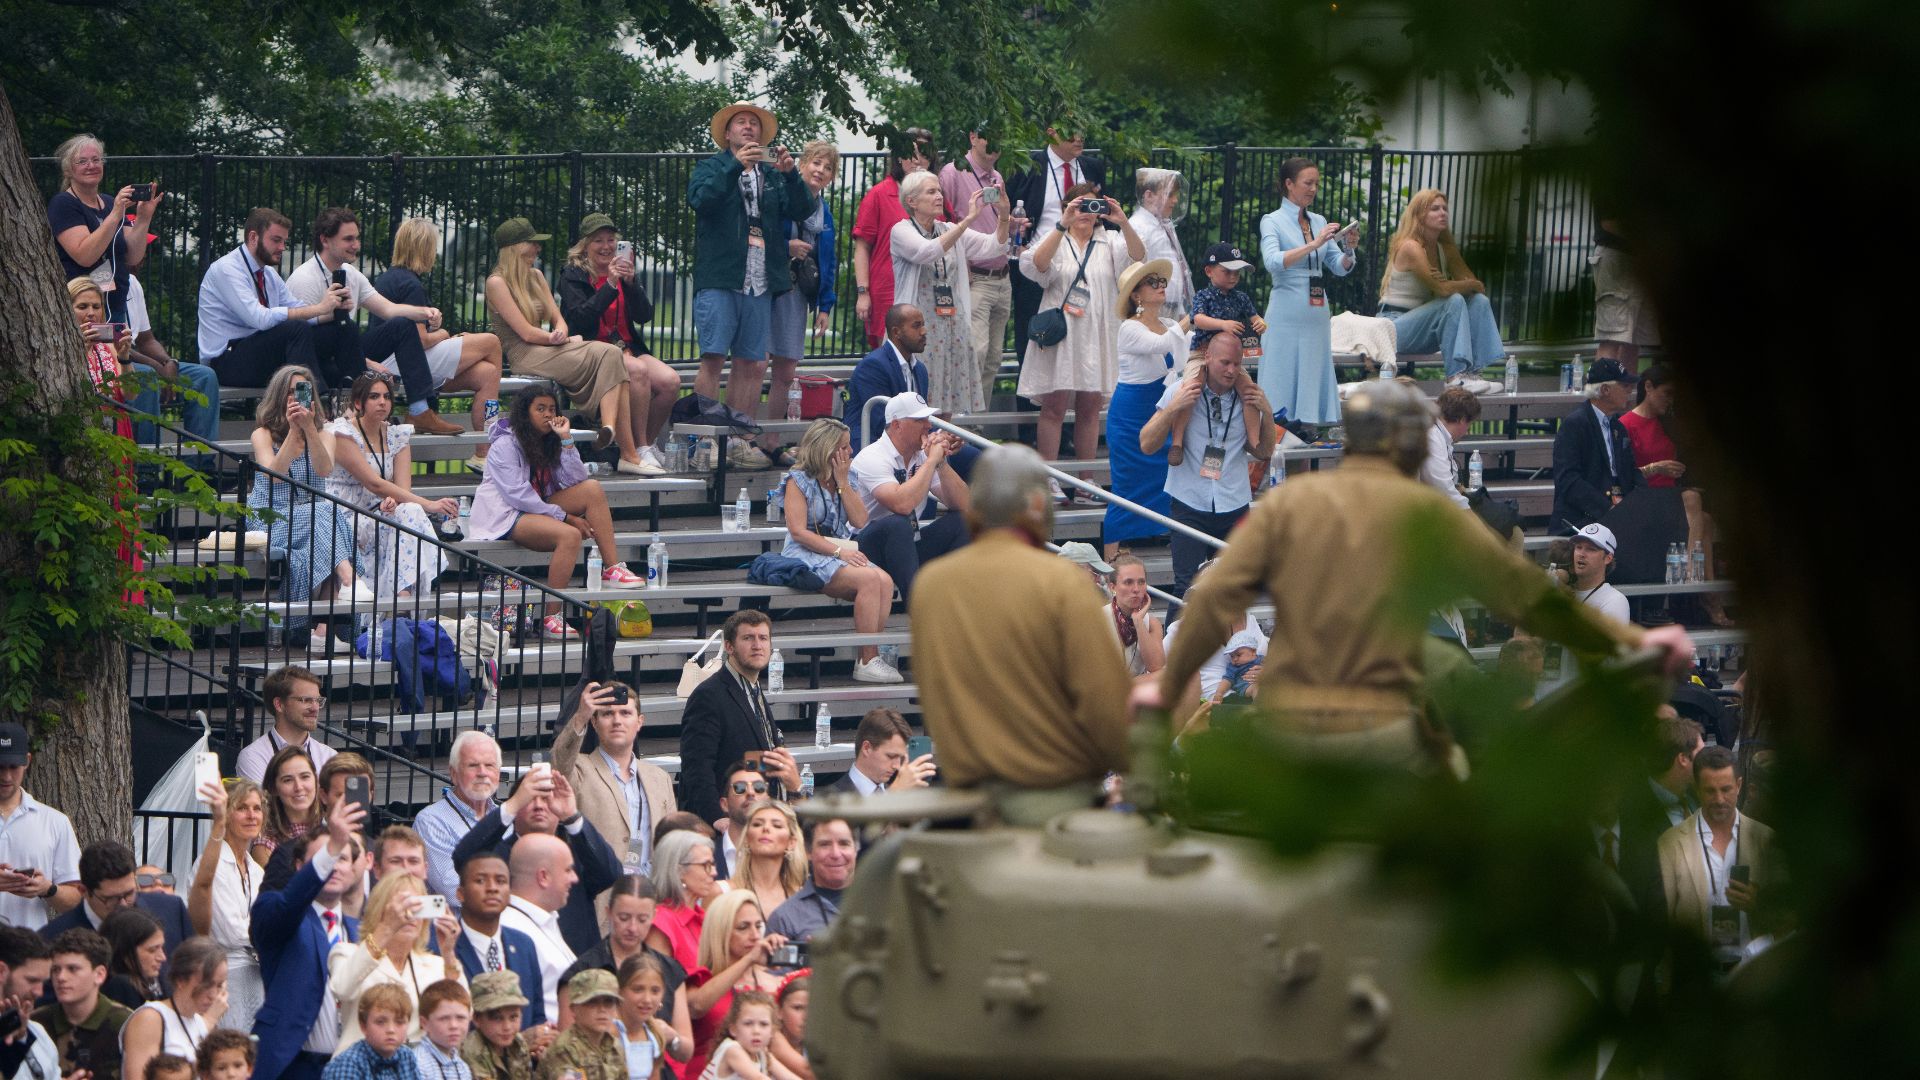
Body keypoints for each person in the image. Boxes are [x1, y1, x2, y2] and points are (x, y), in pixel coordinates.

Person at [1143, 379, 1695, 774]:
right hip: (1377, 735)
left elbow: (1210, 598)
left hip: (1289, 722)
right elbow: (1526, 598)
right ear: (1411, 444)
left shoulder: (1294, 503)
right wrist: (1628, 638)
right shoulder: (1425, 514)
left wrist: (1168, 690)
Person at [909, 445, 1133, 818]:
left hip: (963, 793)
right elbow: (1105, 701)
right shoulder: (1062, 581)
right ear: (1037, 506)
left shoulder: (932, 583)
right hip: (1050, 797)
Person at [687, 101, 820, 467]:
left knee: (750, 363)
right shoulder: (712, 167)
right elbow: (701, 200)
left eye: (754, 124)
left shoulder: (773, 174)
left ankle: (740, 439)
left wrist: (792, 174)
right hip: (722, 276)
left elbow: (803, 210)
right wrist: (735, 166)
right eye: (741, 123)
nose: (749, 128)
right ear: (727, 134)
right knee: (713, 358)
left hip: (761, 278)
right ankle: (705, 440)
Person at [467, 385, 646, 639]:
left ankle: (612, 567)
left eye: (551, 409)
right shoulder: (504, 445)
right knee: (569, 535)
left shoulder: (549, 441)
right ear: (525, 413)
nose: (547, 415)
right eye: (540, 409)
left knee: (592, 489)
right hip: (507, 514)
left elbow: (576, 479)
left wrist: (566, 439)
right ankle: (553, 616)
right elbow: (518, 494)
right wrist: (565, 516)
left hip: (538, 506)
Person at [484, 218, 645, 473]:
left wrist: (560, 331)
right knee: (608, 357)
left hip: (548, 347)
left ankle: (610, 428)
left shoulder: (535, 276)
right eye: (532, 244)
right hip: (525, 354)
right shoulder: (496, 283)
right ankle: (629, 453)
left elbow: (557, 317)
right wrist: (558, 339)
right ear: (515, 247)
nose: (538, 249)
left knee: (612, 352)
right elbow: (525, 333)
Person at [285, 208, 465, 433]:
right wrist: (367, 361)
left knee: (401, 323)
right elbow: (301, 343)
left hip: (348, 351)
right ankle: (336, 415)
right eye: (348, 239)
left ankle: (420, 409)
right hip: (318, 362)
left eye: (357, 238)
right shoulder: (304, 279)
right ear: (325, 240)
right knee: (343, 327)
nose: (356, 245)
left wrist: (426, 313)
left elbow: (389, 309)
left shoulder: (351, 274)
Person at [1017, 186, 1146, 490]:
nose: (1086, 213)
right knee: (1054, 405)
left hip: (1096, 331)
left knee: (1090, 408)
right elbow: (1037, 266)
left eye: (1093, 206)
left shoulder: (1110, 239)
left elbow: (1138, 258)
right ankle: (1048, 478)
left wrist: (1123, 222)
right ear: (1067, 207)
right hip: (1062, 332)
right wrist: (1062, 224)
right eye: (1080, 205)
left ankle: (1086, 482)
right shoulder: (1055, 237)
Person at [1138, 333, 1275, 602]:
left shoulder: (1247, 395)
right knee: (1186, 590)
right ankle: (1174, 644)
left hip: (1233, 501)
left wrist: (1267, 415)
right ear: (1208, 358)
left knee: (1231, 593)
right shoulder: (1182, 389)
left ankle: (1230, 645)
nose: (1231, 370)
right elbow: (1146, 443)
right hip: (1189, 500)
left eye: (1237, 364)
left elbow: (1263, 451)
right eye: (1225, 363)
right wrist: (1172, 409)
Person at [245, 365, 366, 651]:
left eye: (301, 392)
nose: (295, 398)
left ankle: (322, 631)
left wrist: (309, 428)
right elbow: (272, 477)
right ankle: (350, 579)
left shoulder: (325, 434)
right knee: (326, 514)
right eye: (289, 392)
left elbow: (324, 470)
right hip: (271, 516)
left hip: (313, 518)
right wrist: (292, 433)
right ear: (278, 397)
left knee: (325, 515)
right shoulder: (262, 434)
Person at [249, 798, 367, 1080]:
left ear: (353, 869)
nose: (334, 866)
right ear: (300, 866)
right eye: (325, 858)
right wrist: (334, 844)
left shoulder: (360, 930)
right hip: (292, 1065)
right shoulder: (276, 912)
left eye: (342, 858)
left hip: (349, 1066)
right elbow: (290, 903)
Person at [449, 767, 624, 957]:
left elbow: (611, 874)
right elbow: (464, 858)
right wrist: (511, 805)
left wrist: (572, 815)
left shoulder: (577, 852)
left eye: (547, 798)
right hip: (516, 962)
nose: (539, 806)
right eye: (530, 798)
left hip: (578, 968)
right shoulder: (495, 856)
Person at [778, 419, 898, 680]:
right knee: (868, 579)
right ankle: (868, 659)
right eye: (844, 447)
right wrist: (838, 552)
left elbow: (859, 520)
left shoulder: (847, 476)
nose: (851, 452)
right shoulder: (798, 481)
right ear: (827, 449)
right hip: (805, 551)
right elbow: (798, 531)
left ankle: (867, 658)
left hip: (838, 548)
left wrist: (842, 483)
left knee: (885, 581)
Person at [374, 218, 507, 449]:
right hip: (401, 363)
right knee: (492, 342)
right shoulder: (411, 285)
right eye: (432, 247)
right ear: (423, 249)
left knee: (488, 373)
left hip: (396, 360)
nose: (435, 253)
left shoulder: (391, 278)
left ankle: (485, 450)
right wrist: (444, 334)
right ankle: (487, 450)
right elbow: (422, 341)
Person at [558, 213, 676, 474]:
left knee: (670, 382)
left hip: (626, 347)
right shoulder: (573, 274)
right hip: (594, 351)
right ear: (585, 246)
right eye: (598, 240)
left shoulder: (622, 271)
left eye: (611, 240)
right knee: (637, 371)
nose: (606, 247)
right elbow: (579, 319)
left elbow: (644, 316)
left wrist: (631, 283)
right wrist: (610, 284)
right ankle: (638, 448)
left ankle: (644, 444)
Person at [889, 171, 1011, 415]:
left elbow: (994, 246)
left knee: (947, 405)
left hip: (952, 325)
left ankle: (942, 453)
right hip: (919, 327)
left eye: (939, 191)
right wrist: (967, 221)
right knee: (919, 404)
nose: (938, 196)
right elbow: (926, 252)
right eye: (931, 191)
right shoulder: (901, 230)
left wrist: (1005, 215)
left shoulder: (948, 228)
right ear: (911, 201)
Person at [324, 371, 455, 599]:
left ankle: (402, 596)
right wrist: (431, 505)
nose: (382, 402)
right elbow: (374, 483)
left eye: (386, 396)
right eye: (374, 396)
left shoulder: (397, 436)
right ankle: (398, 601)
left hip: (380, 514)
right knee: (416, 510)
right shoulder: (342, 433)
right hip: (345, 516)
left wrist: (393, 501)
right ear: (358, 402)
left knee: (410, 510)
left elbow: (402, 491)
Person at [196, 208, 352, 389]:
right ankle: (310, 406)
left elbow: (297, 307)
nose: (282, 248)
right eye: (276, 240)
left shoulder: (268, 273)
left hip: (256, 354)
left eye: (285, 241)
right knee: (296, 329)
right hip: (226, 362)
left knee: (341, 328)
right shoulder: (227, 269)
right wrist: (319, 309)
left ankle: (362, 400)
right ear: (253, 237)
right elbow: (259, 319)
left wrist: (334, 312)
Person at [1257, 157, 1357, 429]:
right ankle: (1276, 443)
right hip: (1287, 310)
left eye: (1316, 184)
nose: (1313, 189)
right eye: (1307, 183)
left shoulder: (1318, 220)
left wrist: (1348, 248)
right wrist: (1313, 244)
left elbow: (1339, 267)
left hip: (1316, 311)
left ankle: (1306, 444)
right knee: (1282, 377)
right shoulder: (1272, 221)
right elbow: (1273, 261)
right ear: (1289, 184)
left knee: (1311, 381)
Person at [1657, 746, 1777, 968]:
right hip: (1697, 976)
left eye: (1726, 789)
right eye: (1710, 791)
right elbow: (1663, 922)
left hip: (1753, 973)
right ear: (1697, 789)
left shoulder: (1765, 840)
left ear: (1739, 786)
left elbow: (1786, 919)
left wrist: (1756, 904)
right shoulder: (1671, 843)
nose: (1719, 799)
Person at [679, 611, 803, 827]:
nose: (757, 645)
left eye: (763, 638)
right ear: (729, 647)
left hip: (756, 818)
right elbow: (697, 766)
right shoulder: (708, 695)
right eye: (748, 638)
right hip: (725, 826)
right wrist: (717, 818)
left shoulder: (753, 690)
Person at [1377, 188, 1506, 394]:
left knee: (1479, 301)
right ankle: (1455, 376)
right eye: (1435, 209)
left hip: (1426, 328)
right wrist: (1452, 285)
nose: (1442, 213)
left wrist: (1454, 285)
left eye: (1445, 209)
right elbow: (1445, 289)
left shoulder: (1445, 248)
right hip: (1394, 327)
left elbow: (1476, 287)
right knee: (1453, 300)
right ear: (1419, 215)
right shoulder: (1410, 246)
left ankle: (1472, 373)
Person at [846, 394, 972, 601]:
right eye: (919, 420)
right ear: (897, 425)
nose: (928, 426)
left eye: (928, 419)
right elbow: (901, 504)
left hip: (905, 547)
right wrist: (931, 462)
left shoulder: (922, 455)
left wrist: (941, 463)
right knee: (897, 523)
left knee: (965, 521)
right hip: (864, 550)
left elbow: (965, 504)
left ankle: (955, 600)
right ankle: (920, 607)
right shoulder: (872, 456)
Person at [761, 141, 842, 463]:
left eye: (827, 167)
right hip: (770, 285)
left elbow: (829, 261)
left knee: (786, 368)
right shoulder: (781, 195)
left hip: (798, 292)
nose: (820, 171)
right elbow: (761, 234)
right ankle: (744, 438)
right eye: (816, 163)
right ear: (803, 164)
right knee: (756, 362)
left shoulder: (825, 214)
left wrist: (824, 305)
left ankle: (771, 441)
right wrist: (786, 246)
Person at [553, 682, 678, 887]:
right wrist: (580, 716)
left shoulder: (659, 778)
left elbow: (672, 841)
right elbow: (559, 766)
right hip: (601, 895)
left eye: (625, 713)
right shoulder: (580, 767)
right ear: (594, 722)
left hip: (652, 895)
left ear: (639, 722)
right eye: (608, 714)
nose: (617, 721)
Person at [1621, 363, 1721, 611]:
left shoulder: (1668, 424)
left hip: (1671, 497)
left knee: (1705, 519)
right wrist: (1656, 467)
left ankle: (1709, 596)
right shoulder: (1626, 424)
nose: (1670, 400)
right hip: (1645, 494)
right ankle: (1690, 574)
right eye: (1667, 393)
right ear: (1648, 387)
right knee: (1692, 499)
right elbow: (1624, 474)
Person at [327, 872, 465, 1052]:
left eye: (418, 907)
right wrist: (385, 928)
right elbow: (342, 989)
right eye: (402, 907)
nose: (409, 916)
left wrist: (448, 953)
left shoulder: (438, 964)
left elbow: (463, 1011)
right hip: (359, 1068)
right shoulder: (347, 952)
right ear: (380, 910)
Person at [1104, 259, 1187, 553]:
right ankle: (1111, 559)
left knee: (1166, 479)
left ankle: (1166, 538)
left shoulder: (1169, 323)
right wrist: (1195, 317)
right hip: (1130, 414)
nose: (1161, 286)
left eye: (1162, 282)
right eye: (1153, 283)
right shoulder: (1129, 327)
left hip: (1160, 408)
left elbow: (1181, 354)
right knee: (1126, 487)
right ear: (1136, 295)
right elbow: (1162, 345)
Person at [555, 877, 690, 1049]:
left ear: (654, 916)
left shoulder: (669, 969)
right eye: (624, 917)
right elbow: (565, 1046)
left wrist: (672, 1038)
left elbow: (687, 1049)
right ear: (608, 912)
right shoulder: (581, 971)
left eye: (642, 919)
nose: (633, 928)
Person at [1008, 125, 1109, 353]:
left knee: (1084, 333)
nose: (1079, 138)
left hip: (1083, 261)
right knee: (1033, 332)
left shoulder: (1092, 167)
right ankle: (1030, 387)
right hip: (1038, 260)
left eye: (1083, 132)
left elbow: (1102, 214)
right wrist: (1018, 244)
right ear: (1052, 132)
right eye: (1072, 133)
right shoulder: (1028, 165)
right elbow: (1005, 212)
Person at [46, 135, 160, 325]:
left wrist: (143, 218)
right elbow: (85, 255)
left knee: (116, 356)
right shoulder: (63, 203)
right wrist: (116, 213)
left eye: (96, 159)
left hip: (115, 304)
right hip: (84, 309)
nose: (91, 165)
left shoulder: (108, 202)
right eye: (82, 161)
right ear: (68, 170)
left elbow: (133, 257)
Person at [185, 778, 267, 1031]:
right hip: (224, 973)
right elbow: (232, 932)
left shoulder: (256, 870)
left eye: (257, 808)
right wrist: (271, 933)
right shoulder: (213, 864)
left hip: (256, 972)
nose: (252, 815)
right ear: (226, 814)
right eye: (242, 808)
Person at [938, 127, 1013, 400]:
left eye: (998, 138)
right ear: (972, 138)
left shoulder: (996, 177)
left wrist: (1010, 222)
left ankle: (978, 427)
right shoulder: (952, 173)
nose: (994, 143)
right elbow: (940, 221)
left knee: (993, 357)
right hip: (975, 276)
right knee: (975, 351)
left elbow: (991, 224)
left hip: (1002, 275)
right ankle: (962, 421)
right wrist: (959, 265)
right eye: (987, 136)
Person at [680, 893, 787, 1080]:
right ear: (721, 932)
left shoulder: (771, 982)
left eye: (758, 926)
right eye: (743, 927)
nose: (755, 936)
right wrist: (749, 960)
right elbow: (696, 1007)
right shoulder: (699, 979)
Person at [114, 270, 223, 453]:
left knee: (204, 377)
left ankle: (200, 466)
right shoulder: (103, 279)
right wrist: (156, 367)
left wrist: (169, 362)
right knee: (147, 377)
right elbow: (114, 343)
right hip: (117, 360)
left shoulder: (133, 282)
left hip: (141, 361)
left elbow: (146, 340)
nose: (143, 255)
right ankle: (146, 472)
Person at [852, 128, 935, 349]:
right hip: (889, 290)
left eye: (924, 152)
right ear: (899, 156)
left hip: (929, 289)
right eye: (911, 151)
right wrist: (863, 292)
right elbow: (862, 247)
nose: (918, 159)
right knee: (890, 356)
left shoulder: (938, 196)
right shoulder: (879, 194)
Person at [1617, 712, 1703, 917]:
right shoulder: (1634, 814)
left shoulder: (1699, 795)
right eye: (1701, 754)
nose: (1707, 761)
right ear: (1683, 759)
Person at [0, 721, 83, 928]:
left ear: (27, 761)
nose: (6, 776)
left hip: (29, 951)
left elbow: (78, 900)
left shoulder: (55, 822)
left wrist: (48, 889)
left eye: (13, 766)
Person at [39, 841, 192, 953]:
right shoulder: (52, 938)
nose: (123, 905)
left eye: (129, 893)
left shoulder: (171, 909)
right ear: (83, 891)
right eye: (111, 899)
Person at [451, 852, 546, 1030]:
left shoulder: (524, 944)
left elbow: (537, 1015)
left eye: (501, 881)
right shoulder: (442, 946)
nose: (492, 888)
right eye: (480, 881)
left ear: (509, 894)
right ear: (460, 894)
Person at [1550, 358, 1642, 534]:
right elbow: (1568, 481)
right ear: (1605, 390)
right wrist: (1607, 509)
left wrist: (1642, 502)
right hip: (1582, 519)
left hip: (1617, 513)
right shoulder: (1575, 425)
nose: (1630, 391)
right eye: (1624, 386)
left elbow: (1630, 472)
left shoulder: (1618, 427)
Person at [494, 835, 577, 1025]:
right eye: (568, 870)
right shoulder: (510, 930)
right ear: (543, 877)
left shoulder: (547, 919)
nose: (575, 878)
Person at [118, 936, 226, 1080]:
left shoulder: (200, 1022)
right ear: (181, 980)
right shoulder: (151, 1018)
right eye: (206, 984)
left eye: (219, 986)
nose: (213, 995)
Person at [416, 731, 502, 904]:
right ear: (453, 774)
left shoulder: (506, 818)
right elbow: (454, 891)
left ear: (498, 773)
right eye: (472, 765)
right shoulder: (431, 821)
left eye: (490, 765)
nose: (482, 773)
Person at [35, 928, 134, 1080]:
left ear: (99, 974)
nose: (61, 977)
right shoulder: (36, 1025)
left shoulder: (127, 1023)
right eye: (55, 969)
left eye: (72, 969)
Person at [762, 818, 855, 950]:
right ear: (808, 852)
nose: (836, 854)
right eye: (825, 844)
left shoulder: (886, 905)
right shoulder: (785, 918)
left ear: (856, 849)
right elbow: (772, 971)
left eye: (844, 844)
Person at [843, 305, 928, 449]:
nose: (924, 331)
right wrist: (928, 439)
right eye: (916, 326)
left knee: (974, 456)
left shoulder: (920, 369)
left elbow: (922, 417)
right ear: (896, 332)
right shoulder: (873, 366)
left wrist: (942, 437)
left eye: (923, 325)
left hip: (909, 443)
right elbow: (883, 422)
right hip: (872, 446)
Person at [236, 665, 338, 783]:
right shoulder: (253, 757)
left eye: (318, 701)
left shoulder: (329, 756)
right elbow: (262, 801)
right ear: (279, 704)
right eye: (305, 700)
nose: (315, 708)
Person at [1590, 209, 1659, 373]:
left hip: (1637, 259)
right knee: (1612, 337)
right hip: (1617, 258)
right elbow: (1609, 223)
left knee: (1632, 341)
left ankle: (1624, 397)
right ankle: (1604, 398)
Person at [643, 831, 721, 975]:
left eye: (713, 864)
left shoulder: (704, 918)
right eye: (706, 865)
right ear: (678, 871)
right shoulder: (661, 923)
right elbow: (660, 987)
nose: (714, 872)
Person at [534, 970, 625, 1080]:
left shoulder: (614, 1046)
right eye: (592, 1002)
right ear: (574, 1009)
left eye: (608, 1002)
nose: (602, 1009)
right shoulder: (565, 1050)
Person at [1129, 168, 1194, 318]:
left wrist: (1181, 307)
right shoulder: (1139, 227)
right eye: (1169, 195)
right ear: (1149, 195)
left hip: (1172, 305)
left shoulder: (1163, 224)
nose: (1175, 200)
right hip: (1154, 307)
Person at [319, 983, 420, 1080]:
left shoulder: (407, 1056)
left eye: (399, 1022)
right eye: (380, 1022)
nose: (391, 1030)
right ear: (363, 1026)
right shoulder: (347, 1064)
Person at [615, 953, 689, 1080]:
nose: (647, 999)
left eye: (655, 991)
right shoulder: (608, 1032)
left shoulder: (655, 1034)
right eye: (638, 990)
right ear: (620, 990)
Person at [824, 710, 931, 797]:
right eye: (891, 756)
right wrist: (893, 794)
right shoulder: (832, 800)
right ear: (866, 748)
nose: (897, 766)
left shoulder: (901, 795)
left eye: (900, 758)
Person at [727, 801, 804, 920]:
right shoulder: (723, 892)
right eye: (757, 824)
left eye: (777, 826)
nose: (766, 828)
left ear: (791, 842)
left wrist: (802, 787)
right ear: (746, 838)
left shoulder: (801, 897)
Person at [0, 926, 60, 1080]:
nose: (39, 992)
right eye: (31, 980)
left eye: (43, 982)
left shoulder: (37, 1032)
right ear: (2, 971)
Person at [459, 972, 541, 1080]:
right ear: (477, 1019)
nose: (507, 1027)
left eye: (513, 1017)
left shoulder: (518, 1043)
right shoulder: (471, 1051)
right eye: (497, 1018)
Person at [700, 990, 798, 1080]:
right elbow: (758, 1078)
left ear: (772, 1031)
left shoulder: (763, 1054)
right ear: (733, 1029)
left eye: (763, 1024)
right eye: (748, 1023)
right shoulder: (732, 1050)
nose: (756, 1031)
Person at [253, 745, 322, 866]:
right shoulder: (266, 844)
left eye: (305, 777)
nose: (299, 787)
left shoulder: (332, 826)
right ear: (273, 788)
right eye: (287, 780)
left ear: (316, 780)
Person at [1107, 552, 1166, 678]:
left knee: (1183, 677)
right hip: (1105, 688)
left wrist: (1139, 621)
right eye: (1128, 582)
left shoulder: (1151, 623)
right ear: (1113, 587)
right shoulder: (1099, 618)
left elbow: (1156, 666)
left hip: (1135, 687)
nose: (1136, 589)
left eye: (1141, 582)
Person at [1421, 385, 1480, 509]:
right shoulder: (1433, 437)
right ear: (1462, 420)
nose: (1467, 432)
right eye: (1469, 425)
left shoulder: (1438, 434)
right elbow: (1443, 488)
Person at [1567, 522, 1631, 623]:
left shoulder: (1614, 601)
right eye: (1579, 547)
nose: (1582, 554)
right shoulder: (1561, 590)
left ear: (1608, 558)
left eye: (1591, 549)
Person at [100, 908, 166, 1005]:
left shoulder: (156, 980)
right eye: (152, 950)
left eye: (161, 947)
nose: (163, 957)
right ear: (125, 952)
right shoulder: (121, 985)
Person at [412, 981, 474, 1080]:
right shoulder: (417, 1064)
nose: (453, 1025)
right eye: (444, 1018)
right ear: (424, 1023)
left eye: (460, 1017)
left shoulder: (462, 1067)